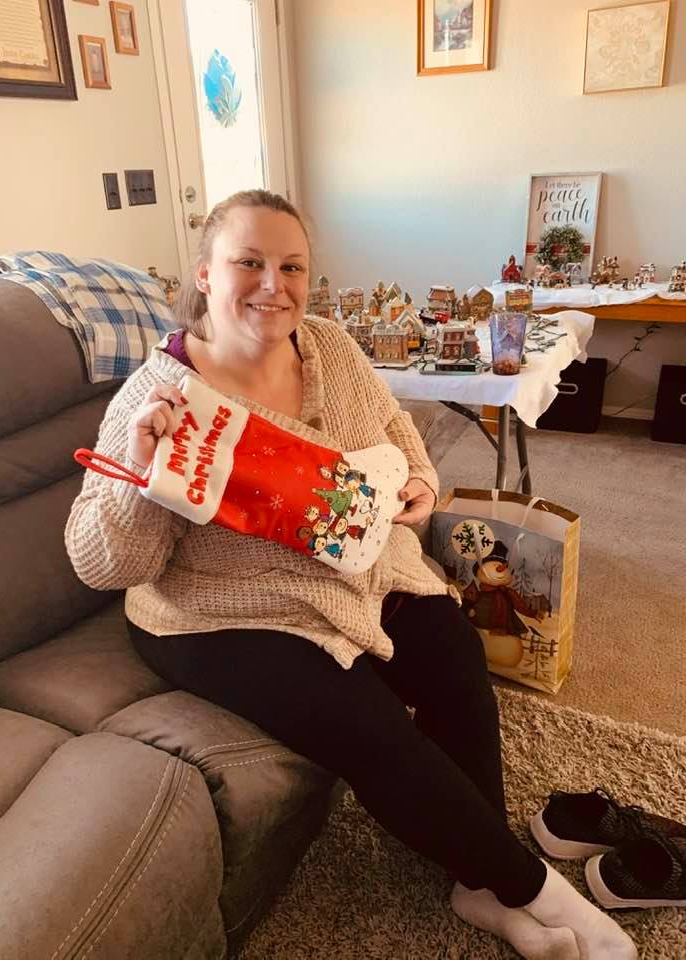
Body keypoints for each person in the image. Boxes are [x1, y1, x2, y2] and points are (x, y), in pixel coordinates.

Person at [65, 189, 636, 960]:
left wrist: (421, 481)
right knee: (367, 724)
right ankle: (531, 888)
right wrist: (142, 473)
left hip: (355, 564)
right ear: (204, 274)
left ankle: (475, 882)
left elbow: (394, 426)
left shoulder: (328, 345)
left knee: (455, 652)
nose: (274, 285)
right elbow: (103, 564)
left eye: (292, 266)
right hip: (222, 605)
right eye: (248, 263)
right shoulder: (156, 395)